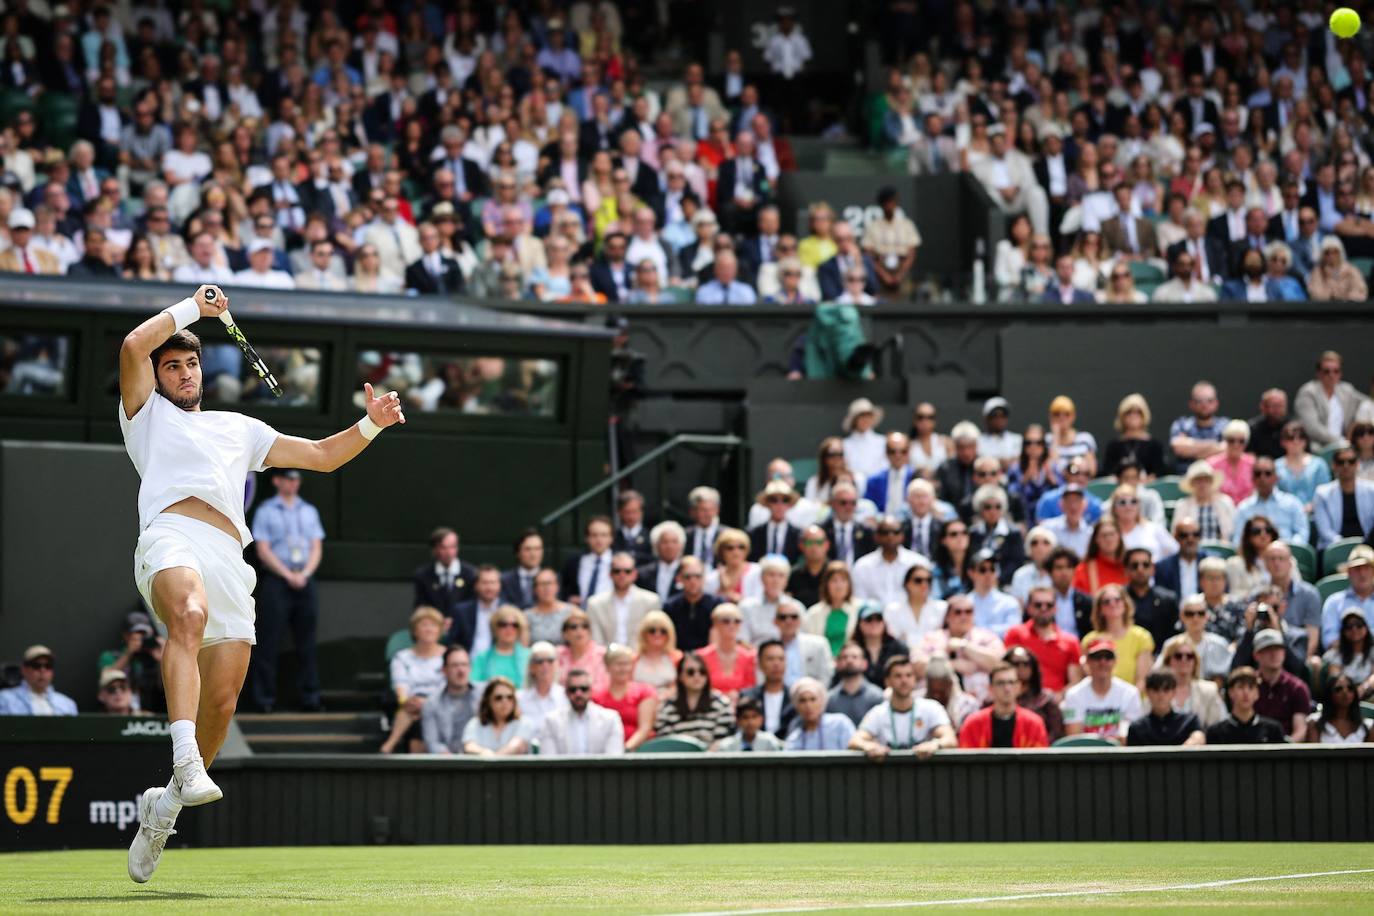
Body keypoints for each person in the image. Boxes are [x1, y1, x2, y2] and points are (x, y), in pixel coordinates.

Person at [119, 285, 405, 883]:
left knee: (222, 703)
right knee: (188, 616)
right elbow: (132, 344)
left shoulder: (239, 427)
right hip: (170, 535)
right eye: (171, 365)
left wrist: (371, 425)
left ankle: (164, 805)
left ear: (203, 369)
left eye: (191, 362)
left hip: (231, 555)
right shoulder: (145, 414)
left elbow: (324, 456)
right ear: (158, 376)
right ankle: (185, 759)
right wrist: (194, 307)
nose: (183, 372)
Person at [248, 469, 325, 713]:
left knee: (307, 641)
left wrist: (304, 573)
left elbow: (316, 547)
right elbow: (263, 549)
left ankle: (310, 697)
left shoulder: (309, 510)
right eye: (289, 479)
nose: (293, 484)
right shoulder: (266, 511)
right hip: (277, 579)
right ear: (277, 481)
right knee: (269, 640)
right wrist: (287, 574)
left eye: (296, 480)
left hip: (304, 578)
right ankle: (264, 699)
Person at [850, 655, 957, 759]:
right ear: (887, 681)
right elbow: (855, 741)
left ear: (915, 679)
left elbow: (950, 738)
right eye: (898, 676)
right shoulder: (878, 713)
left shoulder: (931, 708)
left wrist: (934, 745)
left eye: (909, 675)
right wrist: (868, 746)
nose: (904, 680)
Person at [381, 606, 449, 755]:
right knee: (414, 715)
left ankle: (389, 745)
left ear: (440, 630)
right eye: (424, 625)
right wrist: (406, 701)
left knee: (422, 715)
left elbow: (448, 686)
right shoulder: (401, 657)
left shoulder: (449, 655)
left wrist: (428, 703)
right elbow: (401, 684)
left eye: (433, 625)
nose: (429, 629)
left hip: (441, 704)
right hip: (411, 704)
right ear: (414, 630)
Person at [915, 595, 1004, 701]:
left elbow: (1000, 665)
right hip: (938, 701)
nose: (964, 616)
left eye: (968, 611)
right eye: (958, 612)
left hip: (982, 702)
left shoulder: (987, 637)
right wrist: (952, 664)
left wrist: (964, 647)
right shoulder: (932, 638)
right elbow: (918, 668)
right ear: (947, 617)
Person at [1004, 585, 1083, 698]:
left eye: (1049, 605)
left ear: (1056, 608)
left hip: (1056, 703)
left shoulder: (1070, 641)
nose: (1043, 608)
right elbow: (1006, 670)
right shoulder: (1016, 634)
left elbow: (1075, 682)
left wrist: (1057, 697)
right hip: (1020, 698)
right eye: (1038, 605)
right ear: (1029, 608)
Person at [1060, 638, 1144, 743]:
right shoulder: (1073, 695)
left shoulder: (1130, 693)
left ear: (1115, 661)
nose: (1102, 662)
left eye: (1108, 657)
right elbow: (1074, 737)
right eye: (1097, 657)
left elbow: (1129, 735)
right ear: (1087, 661)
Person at [1080, 583, 1155, 695]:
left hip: (1133, 702)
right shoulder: (1089, 640)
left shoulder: (1141, 637)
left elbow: (1142, 680)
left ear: (1125, 604)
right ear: (1100, 609)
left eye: (1117, 599)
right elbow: (1089, 676)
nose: (1112, 604)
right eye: (1106, 601)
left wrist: (1127, 702)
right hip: (1099, 701)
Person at [958, 662, 1050, 749]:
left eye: (1011, 682)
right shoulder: (973, 724)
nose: (1007, 688)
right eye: (1000, 683)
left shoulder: (1033, 724)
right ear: (990, 688)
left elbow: (1039, 762)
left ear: (1019, 687)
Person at [653, 652, 735, 747]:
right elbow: (665, 743)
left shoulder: (722, 703)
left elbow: (722, 742)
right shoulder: (667, 707)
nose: (697, 676)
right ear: (680, 676)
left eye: (702, 671)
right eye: (690, 672)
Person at [539, 668, 625, 756]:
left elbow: (614, 759)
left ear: (591, 691)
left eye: (583, 689)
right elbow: (548, 760)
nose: (578, 694)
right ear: (566, 692)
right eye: (573, 689)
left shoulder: (610, 719)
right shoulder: (551, 721)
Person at [1294, 351, 1369, 449]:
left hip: (1344, 447)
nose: (1331, 375)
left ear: (1340, 373)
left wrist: (1354, 428)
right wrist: (1339, 441)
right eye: (1326, 371)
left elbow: (1368, 403)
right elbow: (1312, 428)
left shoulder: (1346, 390)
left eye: (1336, 371)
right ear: (1319, 373)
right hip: (1317, 447)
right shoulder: (1308, 392)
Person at [1248, 628, 1312, 741]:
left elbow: (1300, 730)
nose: (1274, 654)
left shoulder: (1297, 688)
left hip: (1287, 752)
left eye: (1278, 649)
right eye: (1267, 650)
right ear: (1256, 655)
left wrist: (1284, 751)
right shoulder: (1248, 685)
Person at [586, 552, 661, 647]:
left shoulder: (651, 601)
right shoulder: (594, 603)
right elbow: (596, 640)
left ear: (634, 574)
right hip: (605, 659)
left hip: (640, 658)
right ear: (610, 574)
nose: (622, 575)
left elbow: (653, 636)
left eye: (627, 571)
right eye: (617, 571)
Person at [592, 644, 657, 750]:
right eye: (618, 664)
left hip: (640, 750)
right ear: (608, 667)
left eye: (627, 664)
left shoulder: (644, 691)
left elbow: (645, 728)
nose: (623, 668)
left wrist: (625, 749)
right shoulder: (596, 696)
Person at [98, 611, 164, 713]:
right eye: (137, 634)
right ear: (126, 635)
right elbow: (106, 677)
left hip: (152, 712)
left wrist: (163, 659)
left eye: (144, 634)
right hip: (121, 712)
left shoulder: (153, 658)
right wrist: (129, 653)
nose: (141, 638)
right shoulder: (111, 656)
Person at [1234, 459, 1308, 547]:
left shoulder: (1292, 503)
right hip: (1254, 557)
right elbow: (1238, 540)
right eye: (1258, 474)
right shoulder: (1244, 508)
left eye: (1267, 473)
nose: (1262, 478)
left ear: (1276, 477)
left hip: (1286, 555)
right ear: (1253, 479)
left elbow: (1302, 534)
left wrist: (1285, 549)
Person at [1204, 667, 1287, 744]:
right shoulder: (1215, 732)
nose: (1246, 693)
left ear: (1257, 693)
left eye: (1251, 687)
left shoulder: (1273, 730)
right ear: (1230, 692)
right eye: (1240, 687)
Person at [420, 646, 480, 754]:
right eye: (455, 665)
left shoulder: (484, 696)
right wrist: (454, 763)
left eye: (464, 665)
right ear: (444, 670)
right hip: (447, 765)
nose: (461, 670)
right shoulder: (431, 703)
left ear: (470, 668)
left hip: (481, 760)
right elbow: (432, 743)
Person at [1157, 635, 1227, 726]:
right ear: (1168, 661)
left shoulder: (1210, 690)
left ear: (1195, 661)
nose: (1184, 660)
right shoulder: (1156, 690)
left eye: (1189, 656)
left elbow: (1218, 727)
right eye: (1178, 656)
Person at [1314, 446, 1374, 549]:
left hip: (1369, 546)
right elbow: (1325, 531)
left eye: (1351, 461)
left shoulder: (1371, 490)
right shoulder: (1322, 493)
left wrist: (1366, 543)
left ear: (1357, 464)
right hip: (1334, 547)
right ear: (1333, 465)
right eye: (1341, 462)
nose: (1346, 466)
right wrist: (1344, 545)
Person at [1003, 646, 1066, 741]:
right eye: (1015, 664)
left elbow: (1056, 733)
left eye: (1026, 663)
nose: (1021, 668)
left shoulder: (1046, 699)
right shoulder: (995, 699)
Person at [1126, 670, 1205, 746]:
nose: (1161, 695)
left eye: (1166, 689)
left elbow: (1199, 738)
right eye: (1155, 689)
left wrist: (1192, 742)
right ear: (1147, 692)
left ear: (1174, 692)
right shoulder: (1137, 728)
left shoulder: (1189, 722)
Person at [1122, 549, 1180, 651]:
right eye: (1135, 565)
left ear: (1153, 569)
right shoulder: (1118, 599)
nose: (1140, 569)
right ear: (1126, 570)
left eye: (1145, 564)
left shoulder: (1167, 599)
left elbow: (1174, 636)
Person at [413, 526, 476, 616]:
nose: (449, 552)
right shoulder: (423, 575)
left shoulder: (471, 574)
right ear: (434, 550)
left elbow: (472, 605)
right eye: (443, 547)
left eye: (453, 547)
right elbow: (421, 606)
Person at [968, 486, 1026, 583]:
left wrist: (998, 579)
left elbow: (1017, 562)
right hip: (977, 582)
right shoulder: (973, 533)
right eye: (988, 507)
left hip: (1006, 584)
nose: (993, 511)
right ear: (980, 509)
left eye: (998, 507)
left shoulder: (1013, 533)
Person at [697, 603, 757, 698]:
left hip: (740, 706)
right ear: (715, 624)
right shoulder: (702, 656)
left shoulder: (749, 657)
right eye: (726, 621)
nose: (732, 625)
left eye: (737, 621)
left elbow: (750, 688)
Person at [462, 677, 534, 756]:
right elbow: (469, 747)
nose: (505, 701)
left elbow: (516, 746)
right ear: (488, 701)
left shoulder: (524, 722)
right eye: (498, 698)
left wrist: (492, 759)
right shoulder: (475, 723)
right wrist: (484, 752)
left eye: (510, 697)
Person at [1169, 381, 1229, 475]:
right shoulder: (1182, 424)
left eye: (1209, 400)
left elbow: (1230, 449)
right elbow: (1179, 448)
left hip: (1218, 481)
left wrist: (1192, 448)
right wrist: (1213, 445)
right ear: (1191, 404)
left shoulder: (1225, 425)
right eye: (1199, 401)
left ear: (1216, 403)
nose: (1204, 405)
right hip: (1184, 480)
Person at [665, 556, 724, 651]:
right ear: (679, 579)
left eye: (698, 576)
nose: (693, 581)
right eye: (687, 577)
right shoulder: (670, 606)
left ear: (704, 578)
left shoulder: (717, 604)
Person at [740, 640, 797, 738]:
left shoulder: (795, 697)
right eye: (770, 659)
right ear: (760, 664)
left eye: (781, 659)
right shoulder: (748, 696)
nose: (776, 664)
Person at [1102, 394, 1168, 479]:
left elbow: (1160, 471)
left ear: (1144, 415)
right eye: (1128, 412)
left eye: (1138, 412)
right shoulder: (1113, 446)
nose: (1133, 416)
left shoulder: (1155, 445)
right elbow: (1108, 472)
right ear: (1122, 416)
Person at [1321, 546, 1374, 650]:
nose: (1362, 574)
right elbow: (1329, 639)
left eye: (1367, 568)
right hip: (1345, 659)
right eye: (1357, 569)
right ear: (1349, 572)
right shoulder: (1334, 602)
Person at [0, 645, 77, 716]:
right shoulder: (4, 700)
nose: (42, 670)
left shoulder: (67, 704)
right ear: (24, 670)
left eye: (48, 666)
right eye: (36, 666)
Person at [883, 563, 947, 647]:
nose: (924, 584)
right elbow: (893, 638)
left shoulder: (943, 608)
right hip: (902, 656)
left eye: (928, 580)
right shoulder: (892, 610)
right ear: (907, 584)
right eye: (918, 580)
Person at [1110, 484, 1178, 562]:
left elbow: (1175, 553)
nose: (1128, 507)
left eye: (1133, 501)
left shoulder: (1154, 529)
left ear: (1139, 505)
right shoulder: (1108, 533)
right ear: (1114, 507)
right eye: (1122, 502)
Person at [744, 555, 804, 643]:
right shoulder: (746, 607)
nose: (776, 580)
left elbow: (801, 640)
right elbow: (742, 640)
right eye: (771, 575)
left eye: (781, 576)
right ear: (761, 578)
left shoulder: (797, 607)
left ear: (786, 581)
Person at [787, 676, 857, 751]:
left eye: (813, 699)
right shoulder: (794, 740)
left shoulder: (840, 724)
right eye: (802, 700)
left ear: (822, 701)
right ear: (796, 705)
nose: (808, 705)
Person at [776, 596, 836, 684]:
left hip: (811, 694)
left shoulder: (819, 644)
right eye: (783, 617)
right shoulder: (768, 646)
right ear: (775, 621)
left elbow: (826, 675)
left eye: (794, 617)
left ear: (800, 620)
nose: (788, 621)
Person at [1174, 460, 1236, 543]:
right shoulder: (1182, 506)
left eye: (1206, 480)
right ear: (1192, 484)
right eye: (1198, 481)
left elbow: (1234, 532)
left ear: (1211, 482)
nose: (1202, 484)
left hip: (1221, 549)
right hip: (1193, 551)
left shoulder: (1225, 503)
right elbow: (1176, 534)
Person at [559, 516, 615, 607]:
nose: (599, 540)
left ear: (611, 538)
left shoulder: (621, 562)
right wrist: (568, 599)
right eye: (594, 535)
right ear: (587, 538)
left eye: (604, 535)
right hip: (581, 615)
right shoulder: (574, 562)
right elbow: (563, 588)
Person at [1276, 421, 1331, 512]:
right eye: (1291, 438)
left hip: (1316, 515)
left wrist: (1311, 506)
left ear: (1306, 441)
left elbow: (1325, 493)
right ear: (1283, 442)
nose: (1296, 441)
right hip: (1285, 516)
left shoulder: (1318, 464)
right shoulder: (1276, 466)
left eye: (1301, 437)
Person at [966, 549, 1021, 639]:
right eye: (982, 570)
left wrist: (978, 632)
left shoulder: (1009, 602)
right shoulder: (965, 603)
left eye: (992, 569)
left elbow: (1013, 631)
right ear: (971, 573)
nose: (988, 574)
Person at [827, 642, 886, 725]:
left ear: (865, 664)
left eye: (854, 657)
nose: (849, 661)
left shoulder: (877, 697)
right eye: (844, 657)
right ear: (837, 663)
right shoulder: (830, 700)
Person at [1305, 674, 1372, 743]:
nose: (1345, 692)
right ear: (1329, 694)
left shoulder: (1367, 727)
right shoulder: (1315, 724)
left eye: (1350, 688)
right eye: (1338, 689)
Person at [748, 480, 803, 562]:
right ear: (767, 503)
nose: (779, 505)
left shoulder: (799, 534)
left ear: (789, 504)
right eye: (774, 500)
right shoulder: (753, 533)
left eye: (785, 500)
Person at [632, 610, 683, 696]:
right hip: (640, 702)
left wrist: (667, 694)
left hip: (669, 703)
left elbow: (683, 685)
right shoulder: (633, 659)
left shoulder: (678, 657)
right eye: (652, 630)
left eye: (663, 631)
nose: (658, 634)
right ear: (644, 634)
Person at [704, 528, 761, 604]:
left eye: (741, 547)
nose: (736, 552)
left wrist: (728, 593)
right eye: (730, 548)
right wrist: (721, 589)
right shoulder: (711, 577)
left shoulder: (758, 572)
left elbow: (758, 603)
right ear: (721, 551)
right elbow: (709, 604)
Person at [556, 610, 608, 692]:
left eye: (585, 626)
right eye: (573, 627)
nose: (579, 630)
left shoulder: (602, 654)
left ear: (590, 632)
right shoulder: (557, 655)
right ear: (565, 634)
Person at [1071, 519, 1127, 596]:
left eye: (1112, 534)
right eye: (1104, 535)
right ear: (1096, 539)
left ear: (1119, 537)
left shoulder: (1131, 567)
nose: (1109, 539)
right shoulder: (1083, 570)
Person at [714, 697, 786, 752]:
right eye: (745, 717)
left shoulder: (771, 743)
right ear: (738, 720)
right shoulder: (726, 746)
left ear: (761, 719)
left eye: (754, 717)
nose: (750, 722)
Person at [841, 398, 887, 481]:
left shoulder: (883, 441)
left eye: (868, 415)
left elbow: (885, 468)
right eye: (861, 416)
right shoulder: (844, 445)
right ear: (854, 420)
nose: (865, 419)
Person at [1009, 527, 1058, 606]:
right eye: (1034, 543)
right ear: (1028, 549)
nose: (1040, 547)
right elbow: (1017, 607)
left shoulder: (1059, 574)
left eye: (1046, 542)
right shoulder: (1020, 575)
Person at [501, 529, 546, 611]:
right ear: (518, 552)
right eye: (528, 549)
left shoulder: (553, 579)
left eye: (537, 549)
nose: (533, 554)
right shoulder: (504, 580)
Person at [930, 519, 972, 599]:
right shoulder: (935, 570)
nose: (960, 537)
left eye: (964, 533)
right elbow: (935, 598)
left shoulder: (979, 566)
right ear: (943, 540)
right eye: (954, 534)